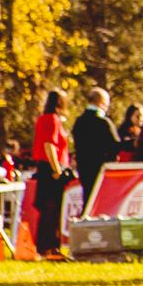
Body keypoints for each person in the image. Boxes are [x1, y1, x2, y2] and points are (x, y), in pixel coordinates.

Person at [28, 91, 71, 257]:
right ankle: (49, 247)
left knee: (47, 209)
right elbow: (49, 145)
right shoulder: (52, 119)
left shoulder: (42, 119)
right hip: (51, 168)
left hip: (44, 167)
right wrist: (57, 169)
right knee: (52, 209)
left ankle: (46, 246)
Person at [70, 87, 119, 210]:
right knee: (100, 204)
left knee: (88, 201)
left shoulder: (79, 122)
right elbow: (115, 145)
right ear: (101, 103)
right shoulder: (102, 122)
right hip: (101, 170)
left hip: (84, 168)